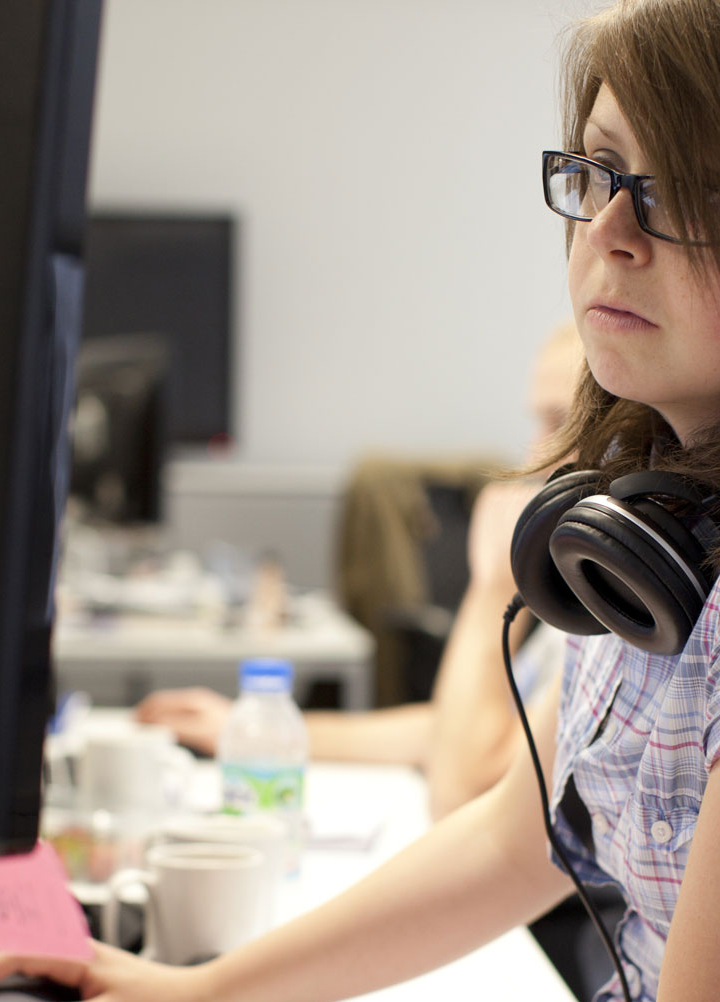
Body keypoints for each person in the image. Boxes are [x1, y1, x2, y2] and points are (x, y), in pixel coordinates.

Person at [0, 1, 720, 1002]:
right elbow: (519, 834)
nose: (609, 235)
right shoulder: (676, 509)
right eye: (602, 172)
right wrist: (188, 999)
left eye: (692, 196)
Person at [133, 321, 586, 821]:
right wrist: (261, 732)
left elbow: (463, 789)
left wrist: (494, 587)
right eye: (537, 424)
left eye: (559, 423)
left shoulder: (606, 622)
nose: (531, 457)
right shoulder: (572, 611)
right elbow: (453, 730)